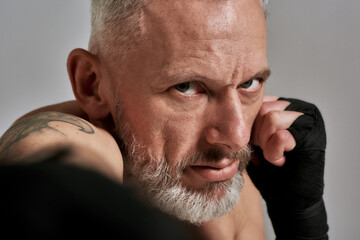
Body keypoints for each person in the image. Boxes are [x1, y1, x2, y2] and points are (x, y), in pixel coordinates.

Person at [0, 0, 328, 239]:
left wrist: (301, 220)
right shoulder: (77, 140)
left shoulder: (223, 188)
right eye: (186, 87)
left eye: (249, 84)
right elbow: (47, 167)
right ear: (92, 84)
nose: (237, 136)